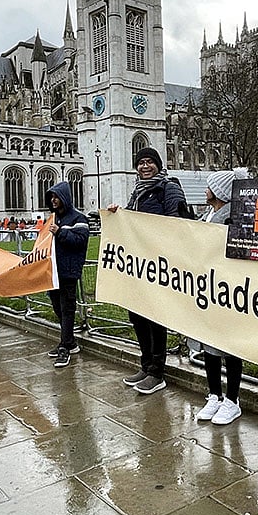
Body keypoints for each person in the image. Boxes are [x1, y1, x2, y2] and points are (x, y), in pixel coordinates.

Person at [107, 147, 185, 394]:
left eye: (150, 162)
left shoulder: (169, 188)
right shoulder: (137, 193)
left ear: (159, 165)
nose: (144, 166)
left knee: (155, 318)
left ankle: (157, 372)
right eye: (140, 163)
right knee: (137, 316)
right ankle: (145, 364)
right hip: (138, 267)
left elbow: (178, 222)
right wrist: (117, 215)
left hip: (158, 265)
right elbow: (130, 224)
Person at [190, 167, 249, 425]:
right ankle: (214, 394)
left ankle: (232, 399)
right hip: (207, 289)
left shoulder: (230, 219)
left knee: (229, 346)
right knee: (209, 345)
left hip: (226, 291)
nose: (205, 190)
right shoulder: (209, 214)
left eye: (209, 186)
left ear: (220, 192)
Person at [43, 181, 90, 368]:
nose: (53, 200)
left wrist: (60, 233)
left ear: (65, 198)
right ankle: (69, 342)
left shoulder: (79, 218)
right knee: (57, 307)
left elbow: (80, 241)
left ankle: (65, 347)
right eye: (51, 197)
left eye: (56, 197)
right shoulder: (53, 218)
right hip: (53, 271)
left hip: (69, 271)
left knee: (67, 308)